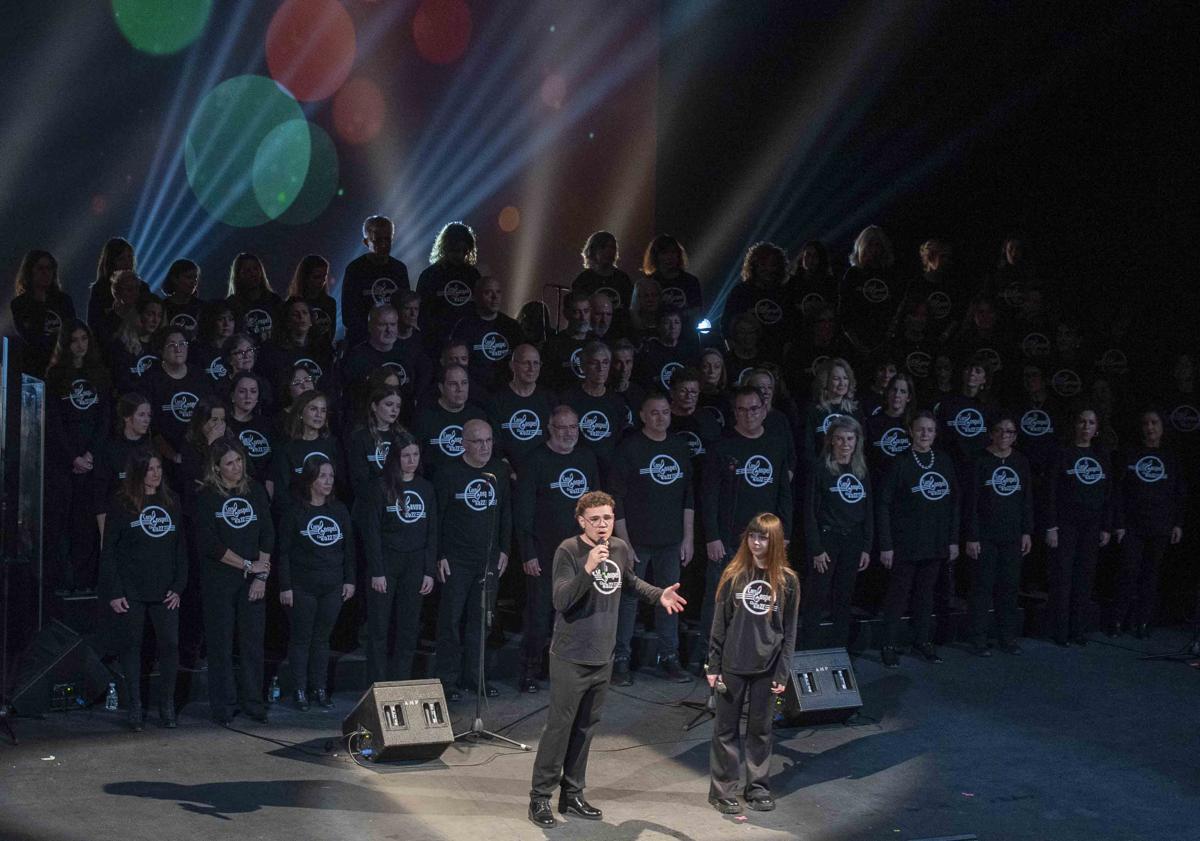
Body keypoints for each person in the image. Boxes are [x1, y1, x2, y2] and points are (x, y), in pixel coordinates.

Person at [527, 491, 686, 828]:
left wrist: (659, 596)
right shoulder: (568, 551)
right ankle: (540, 798)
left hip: (603, 654)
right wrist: (587, 567)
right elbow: (561, 600)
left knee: (585, 729)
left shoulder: (620, 548)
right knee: (559, 728)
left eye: (608, 518)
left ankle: (572, 795)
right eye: (595, 519)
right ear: (581, 521)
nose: (602, 525)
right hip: (571, 655)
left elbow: (628, 582)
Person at [706, 512, 798, 815]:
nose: (756, 543)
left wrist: (783, 671)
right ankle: (723, 791)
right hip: (732, 665)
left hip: (768, 668)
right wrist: (713, 666)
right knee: (725, 729)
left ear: (774, 542)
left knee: (760, 730)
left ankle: (757, 788)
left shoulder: (787, 581)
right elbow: (719, 625)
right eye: (752, 536)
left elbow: (790, 631)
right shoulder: (734, 575)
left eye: (763, 538)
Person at [697, 386, 794, 669]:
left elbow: (784, 494)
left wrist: (784, 534)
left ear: (764, 410)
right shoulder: (722, 447)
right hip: (728, 540)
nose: (749, 414)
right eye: (742, 409)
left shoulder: (776, 445)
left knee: (759, 600)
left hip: (766, 542)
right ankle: (709, 658)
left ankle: (752, 656)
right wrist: (712, 536)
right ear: (734, 413)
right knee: (717, 601)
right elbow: (709, 497)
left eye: (754, 408)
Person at [513, 407, 600, 692]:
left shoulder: (586, 458)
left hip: (580, 555)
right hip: (543, 553)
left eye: (573, 427)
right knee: (539, 616)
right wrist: (528, 553)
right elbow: (523, 512)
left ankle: (566, 670)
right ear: (550, 427)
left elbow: (597, 507)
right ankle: (529, 671)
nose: (568, 433)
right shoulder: (535, 460)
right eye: (561, 427)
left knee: (574, 615)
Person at [610, 393, 695, 684]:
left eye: (665, 412)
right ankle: (620, 659)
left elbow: (688, 496)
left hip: (671, 540)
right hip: (636, 540)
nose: (661, 417)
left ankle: (668, 657)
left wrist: (688, 537)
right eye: (654, 413)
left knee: (670, 600)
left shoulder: (679, 446)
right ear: (643, 416)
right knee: (629, 601)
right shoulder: (629, 448)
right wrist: (624, 542)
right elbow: (616, 499)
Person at [99, 450, 186, 730]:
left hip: (165, 590)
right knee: (131, 646)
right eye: (150, 469)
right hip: (131, 588)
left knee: (170, 645)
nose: (156, 473)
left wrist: (178, 586)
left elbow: (181, 549)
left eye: (159, 468)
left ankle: (167, 705)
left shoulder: (171, 502)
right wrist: (114, 591)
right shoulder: (121, 503)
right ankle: (135, 706)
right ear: (138, 472)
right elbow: (109, 550)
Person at [194, 439, 274, 725]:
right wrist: (247, 565)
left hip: (254, 580)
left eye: (239, 461)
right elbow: (209, 543)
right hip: (220, 581)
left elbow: (267, 532)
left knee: (252, 644)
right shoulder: (206, 497)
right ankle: (224, 705)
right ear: (216, 468)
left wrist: (260, 575)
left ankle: (253, 701)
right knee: (221, 644)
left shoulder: (254, 491)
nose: (236, 467)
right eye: (229, 463)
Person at [433, 419, 511, 700]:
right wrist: (438, 554)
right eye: (478, 441)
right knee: (451, 622)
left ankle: (475, 677)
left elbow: (505, 512)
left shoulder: (499, 471)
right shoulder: (448, 472)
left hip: (488, 558)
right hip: (456, 559)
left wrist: (504, 549)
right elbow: (437, 517)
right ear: (463, 443)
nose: (485, 447)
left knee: (482, 621)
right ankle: (448, 680)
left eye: (489, 441)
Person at [877, 410, 960, 667]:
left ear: (936, 434)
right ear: (911, 431)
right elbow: (883, 504)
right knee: (898, 596)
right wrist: (886, 544)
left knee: (926, 595)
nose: (925, 434)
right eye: (920, 429)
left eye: (930, 430)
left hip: (935, 541)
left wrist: (953, 539)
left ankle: (923, 641)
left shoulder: (944, 461)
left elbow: (955, 502)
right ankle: (888, 644)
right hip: (905, 543)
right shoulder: (899, 462)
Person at [353, 433, 437, 682]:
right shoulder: (380, 487)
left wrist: (429, 571)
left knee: (409, 629)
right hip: (386, 565)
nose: (411, 460)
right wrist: (377, 571)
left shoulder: (426, 487)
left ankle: (401, 681)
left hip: (415, 564)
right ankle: (377, 684)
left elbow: (432, 532)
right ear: (395, 458)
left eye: (415, 455)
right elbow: (372, 533)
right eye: (406, 455)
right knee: (379, 628)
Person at [278, 456, 355, 710]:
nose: (328, 481)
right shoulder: (295, 512)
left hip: (332, 586)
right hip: (302, 586)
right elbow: (284, 553)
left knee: (322, 640)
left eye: (331, 476)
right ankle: (299, 690)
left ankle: (319, 689)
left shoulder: (339, 510)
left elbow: (349, 549)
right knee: (301, 639)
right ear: (310, 479)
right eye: (323, 476)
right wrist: (285, 586)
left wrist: (349, 580)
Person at [43, 320, 110, 594]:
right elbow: (53, 422)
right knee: (61, 522)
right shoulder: (56, 375)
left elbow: (105, 418)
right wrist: (73, 457)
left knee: (86, 524)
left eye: (84, 338)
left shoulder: (100, 373)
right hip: (63, 461)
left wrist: (90, 454)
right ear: (65, 344)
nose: (80, 344)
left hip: (92, 459)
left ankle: (85, 582)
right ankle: (60, 582)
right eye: (74, 340)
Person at [962, 413, 1034, 656]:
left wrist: (1027, 531)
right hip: (985, 536)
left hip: (1012, 536)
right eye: (1000, 430)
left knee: (1009, 588)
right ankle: (979, 639)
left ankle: (1007, 637)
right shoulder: (979, 460)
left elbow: (1027, 500)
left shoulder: (1021, 461)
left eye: (1010, 431)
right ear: (991, 433)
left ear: (1015, 436)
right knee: (982, 589)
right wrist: (972, 536)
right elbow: (970, 502)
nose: (1005, 435)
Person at [1113, 408, 1186, 638]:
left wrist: (1178, 523)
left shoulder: (1171, 457)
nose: (1150, 427)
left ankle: (1142, 622)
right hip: (1133, 525)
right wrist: (1120, 523)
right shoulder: (1130, 453)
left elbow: (1179, 493)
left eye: (1154, 423)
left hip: (1161, 525)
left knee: (1151, 575)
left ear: (1162, 428)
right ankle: (1117, 620)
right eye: (1146, 423)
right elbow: (1118, 491)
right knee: (1128, 572)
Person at [801, 416, 873, 650]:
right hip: (827, 541)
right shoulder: (820, 468)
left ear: (857, 441)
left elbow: (869, 510)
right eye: (840, 438)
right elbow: (809, 512)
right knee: (817, 598)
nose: (845, 443)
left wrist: (866, 546)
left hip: (853, 541)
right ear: (831, 440)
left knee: (844, 599)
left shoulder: (861, 470)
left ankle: (838, 651)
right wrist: (817, 548)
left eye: (850, 439)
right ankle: (809, 650)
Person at [1045, 406, 1114, 646]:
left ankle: (1078, 630)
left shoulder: (1102, 455)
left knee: (1084, 580)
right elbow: (1051, 491)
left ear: (1097, 429)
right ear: (1075, 425)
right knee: (1063, 579)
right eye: (1082, 422)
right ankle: (1061, 631)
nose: (1086, 427)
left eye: (1091, 423)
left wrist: (1106, 526)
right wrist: (1051, 526)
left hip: (1092, 526)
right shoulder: (1063, 453)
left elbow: (1109, 494)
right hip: (1066, 525)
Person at [561, 342, 630, 481]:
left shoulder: (617, 402)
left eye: (605, 363)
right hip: (575, 473)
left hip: (608, 475)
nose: (600, 368)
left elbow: (621, 443)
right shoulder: (568, 399)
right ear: (583, 366)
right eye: (594, 363)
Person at [342, 217, 410, 348]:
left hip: (393, 341)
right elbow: (349, 313)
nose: (384, 245)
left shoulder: (399, 269)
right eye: (378, 240)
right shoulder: (355, 269)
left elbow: (405, 306)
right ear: (366, 242)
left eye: (387, 239)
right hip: (363, 341)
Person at [485, 343, 554, 472]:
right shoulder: (497, 401)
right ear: (512, 366)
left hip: (545, 471)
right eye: (526, 363)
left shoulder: (549, 399)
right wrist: (509, 472)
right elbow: (494, 443)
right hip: (508, 473)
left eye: (536, 363)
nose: (531, 368)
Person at [449, 275, 526, 390]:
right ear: (476, 297)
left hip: (507, 392)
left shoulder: (512, 327)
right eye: (488, 293)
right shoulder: (464, 327)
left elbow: (522, 361)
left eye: (498, 292)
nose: (494, 297)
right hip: (474, 392)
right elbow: (457, 365)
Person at [411, 363, 487, 477]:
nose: (460, 389)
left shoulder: (478, 415)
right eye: (453, 384)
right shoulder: (425, 417)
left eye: (464, 383)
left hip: (470, 481)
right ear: (441, 387)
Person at [269, 391, 340, 510]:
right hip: (296, 512)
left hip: (328, 511)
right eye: (313, 409)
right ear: (300, 412)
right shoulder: (286, 448)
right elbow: (282, 491)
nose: (319, 415)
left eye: (323, 410)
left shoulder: (333, 444)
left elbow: (339, 484)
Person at [10, 249, 77, 376]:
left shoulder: (63, 300)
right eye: (40, 268)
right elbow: (31, 338)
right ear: (30, 271)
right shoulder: (19, 304)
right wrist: (40, 305)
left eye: (49, 268)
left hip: (61, 366)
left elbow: (72, 330)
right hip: (33, 369)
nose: (46, 273)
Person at [416, 221, 480, 340]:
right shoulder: (430, 275)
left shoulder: (473, 275)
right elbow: (421, 313)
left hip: (468, 339)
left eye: (464, 251)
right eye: (456, 251)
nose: (460, 255)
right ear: (445, 248)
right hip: (438, 340)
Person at [344, 384, 404, 491]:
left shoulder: (403, 436)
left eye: (398, 406)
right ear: (374, 406)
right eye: (389, 404)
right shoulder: (360, 437)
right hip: (371, 496)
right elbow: (359, 477)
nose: (394, 410)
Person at [643, 234, 703, 325]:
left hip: (687, 335)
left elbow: (697, 312)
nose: (669, 257)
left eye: (673, 252)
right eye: (664, 253)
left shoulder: (690, 281)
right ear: (656, 256)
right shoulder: (648, 283)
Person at [225, 253, 282, 344]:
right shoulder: (231, 304)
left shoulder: (274, 301)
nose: (253, 274)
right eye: (247, 270)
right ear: (238, 275)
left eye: (256, 269)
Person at [571, 231, 633, 312]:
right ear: (593, 250)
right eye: (603, 247)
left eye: (612, 247)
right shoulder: (583, 280)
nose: (608, 251)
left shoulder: (623, 279)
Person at [87, 237, 136, 332]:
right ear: (111, 262)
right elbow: (94, 325)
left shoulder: (142, 287)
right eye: (121, 259)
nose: (127, 263)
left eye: (130, 257)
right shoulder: (100, 290)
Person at [286, 254, 338, 343]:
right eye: (316, 277)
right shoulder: (292, 303)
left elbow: (330, 334)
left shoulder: (329, 302)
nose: (321, 281)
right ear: (305, 277)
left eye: (324, 277)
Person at [161, 259, 203, 337]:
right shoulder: (163, 307)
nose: (193, 282)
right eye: (189, 277)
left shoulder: (201, 307)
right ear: (174, 279)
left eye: (195, 278)